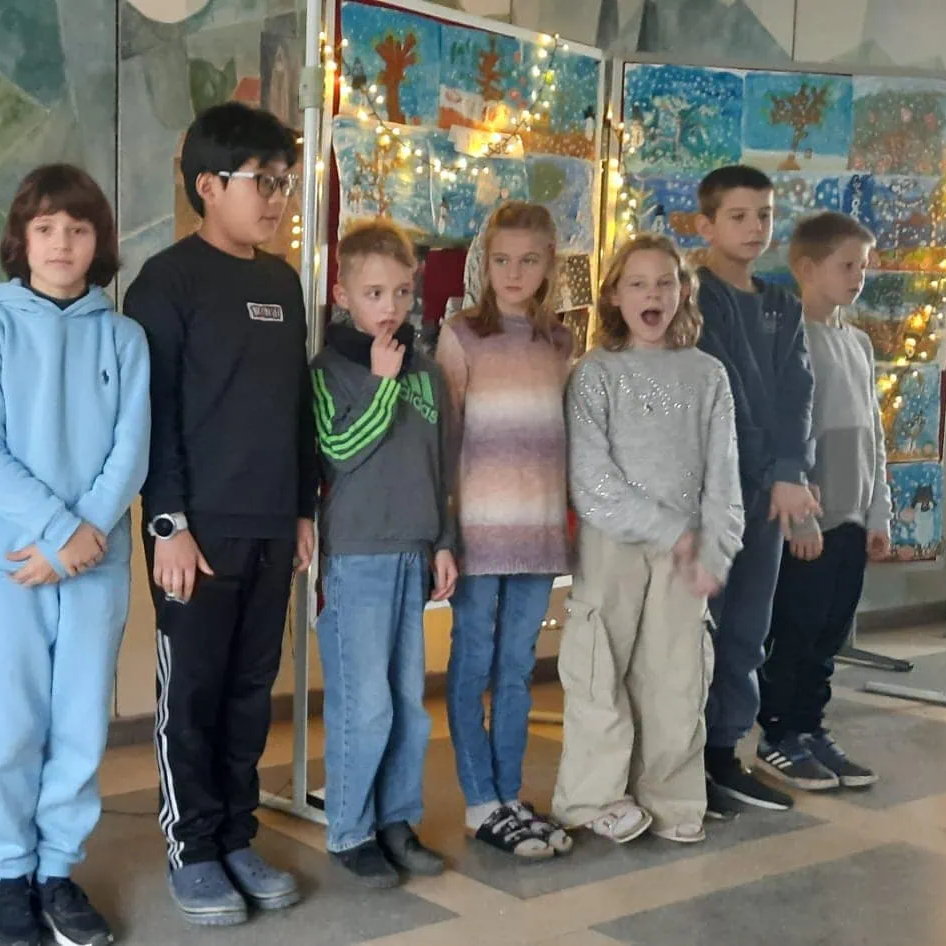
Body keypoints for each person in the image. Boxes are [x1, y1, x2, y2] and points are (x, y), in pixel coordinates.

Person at [125, 101, 317, 926]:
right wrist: (167, 521)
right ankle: (193, 846)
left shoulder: (282, 282)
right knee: (193, 696)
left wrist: (303, 508)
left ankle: (238, 835)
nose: (276, 199)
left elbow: (296, 407)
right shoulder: (166, 282)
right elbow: (153, 414)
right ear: (208, 185)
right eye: (261, 182)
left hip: (273, 524)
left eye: (284, 183)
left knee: (250, 692)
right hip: (195, 534)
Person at [0, 164, 148, 946]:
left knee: (79, 727)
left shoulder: (124, 338)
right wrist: (57, 532)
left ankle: (56, 871)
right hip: (10, 562)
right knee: (11, 728)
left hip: (96, 559)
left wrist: (78, 538)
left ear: (99, 241)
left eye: (77, 228)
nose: (61, 243)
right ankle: (8, 875)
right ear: (21, 239)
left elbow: (131, 450)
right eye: (45, 228)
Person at [552, 234, 743, 846]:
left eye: (664, 282)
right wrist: (670, 531)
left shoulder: (708, 376)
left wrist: (713, 549)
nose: (651, 295)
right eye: (637, 284)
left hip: (687, 553)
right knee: (598, 669)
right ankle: (593, 797)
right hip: (614, 544)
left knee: (677, 676)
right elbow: (590, 478)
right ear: (615, 294)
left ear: (683, 291)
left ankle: (671, 797)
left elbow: (724, 476)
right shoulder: (595, 374)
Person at [309, 218, 456, 887]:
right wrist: (380, 381)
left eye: (400, 292)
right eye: (373, 294)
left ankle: (397, 818)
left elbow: (440, 464)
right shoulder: (329, 370)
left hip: (412, 553)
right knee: (363, 705)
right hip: (357, 556)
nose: (389, 307)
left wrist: (443, 542)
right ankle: (351, 828)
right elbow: (339, 451)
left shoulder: (427, 372)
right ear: (344, 294)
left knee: (408, 705)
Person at [434, 203, 575, 859]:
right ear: (484, 264)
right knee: (472, 664)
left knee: (517, 669)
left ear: (549, 266)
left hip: (539, 535)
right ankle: (479, 799)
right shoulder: (461, 335)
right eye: (501, 260)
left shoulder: (559, 343)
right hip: (479, 534)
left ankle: (510, 795)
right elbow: (445, 439)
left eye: (529, 260)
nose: (514, 272)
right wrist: (445, 531)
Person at [693, 165, 819, 816]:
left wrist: (790, 472)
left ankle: (724, 754)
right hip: (713, 489)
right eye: (738, 216)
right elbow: (728, 393)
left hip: (768, 494)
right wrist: (775, 469)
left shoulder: (782, 303)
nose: (754, 228)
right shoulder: (695, 297)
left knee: (747, 625)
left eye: (764, 215)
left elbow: (797, 391)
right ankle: (682, 759)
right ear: (706, 224)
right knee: (700, 628)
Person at [755, 212, 889, 792]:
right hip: (809, 522)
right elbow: (784, 437)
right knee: (796, 629)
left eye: (863, 266)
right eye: (846, 265)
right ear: (807, 268)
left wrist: (878, 512)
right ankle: (777, 735)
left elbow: (873, 437)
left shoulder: (858, 343)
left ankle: (810, 727)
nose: (858, 276)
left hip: (852, 519)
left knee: (830, 634)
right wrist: (801, 519)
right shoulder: (788, 340)